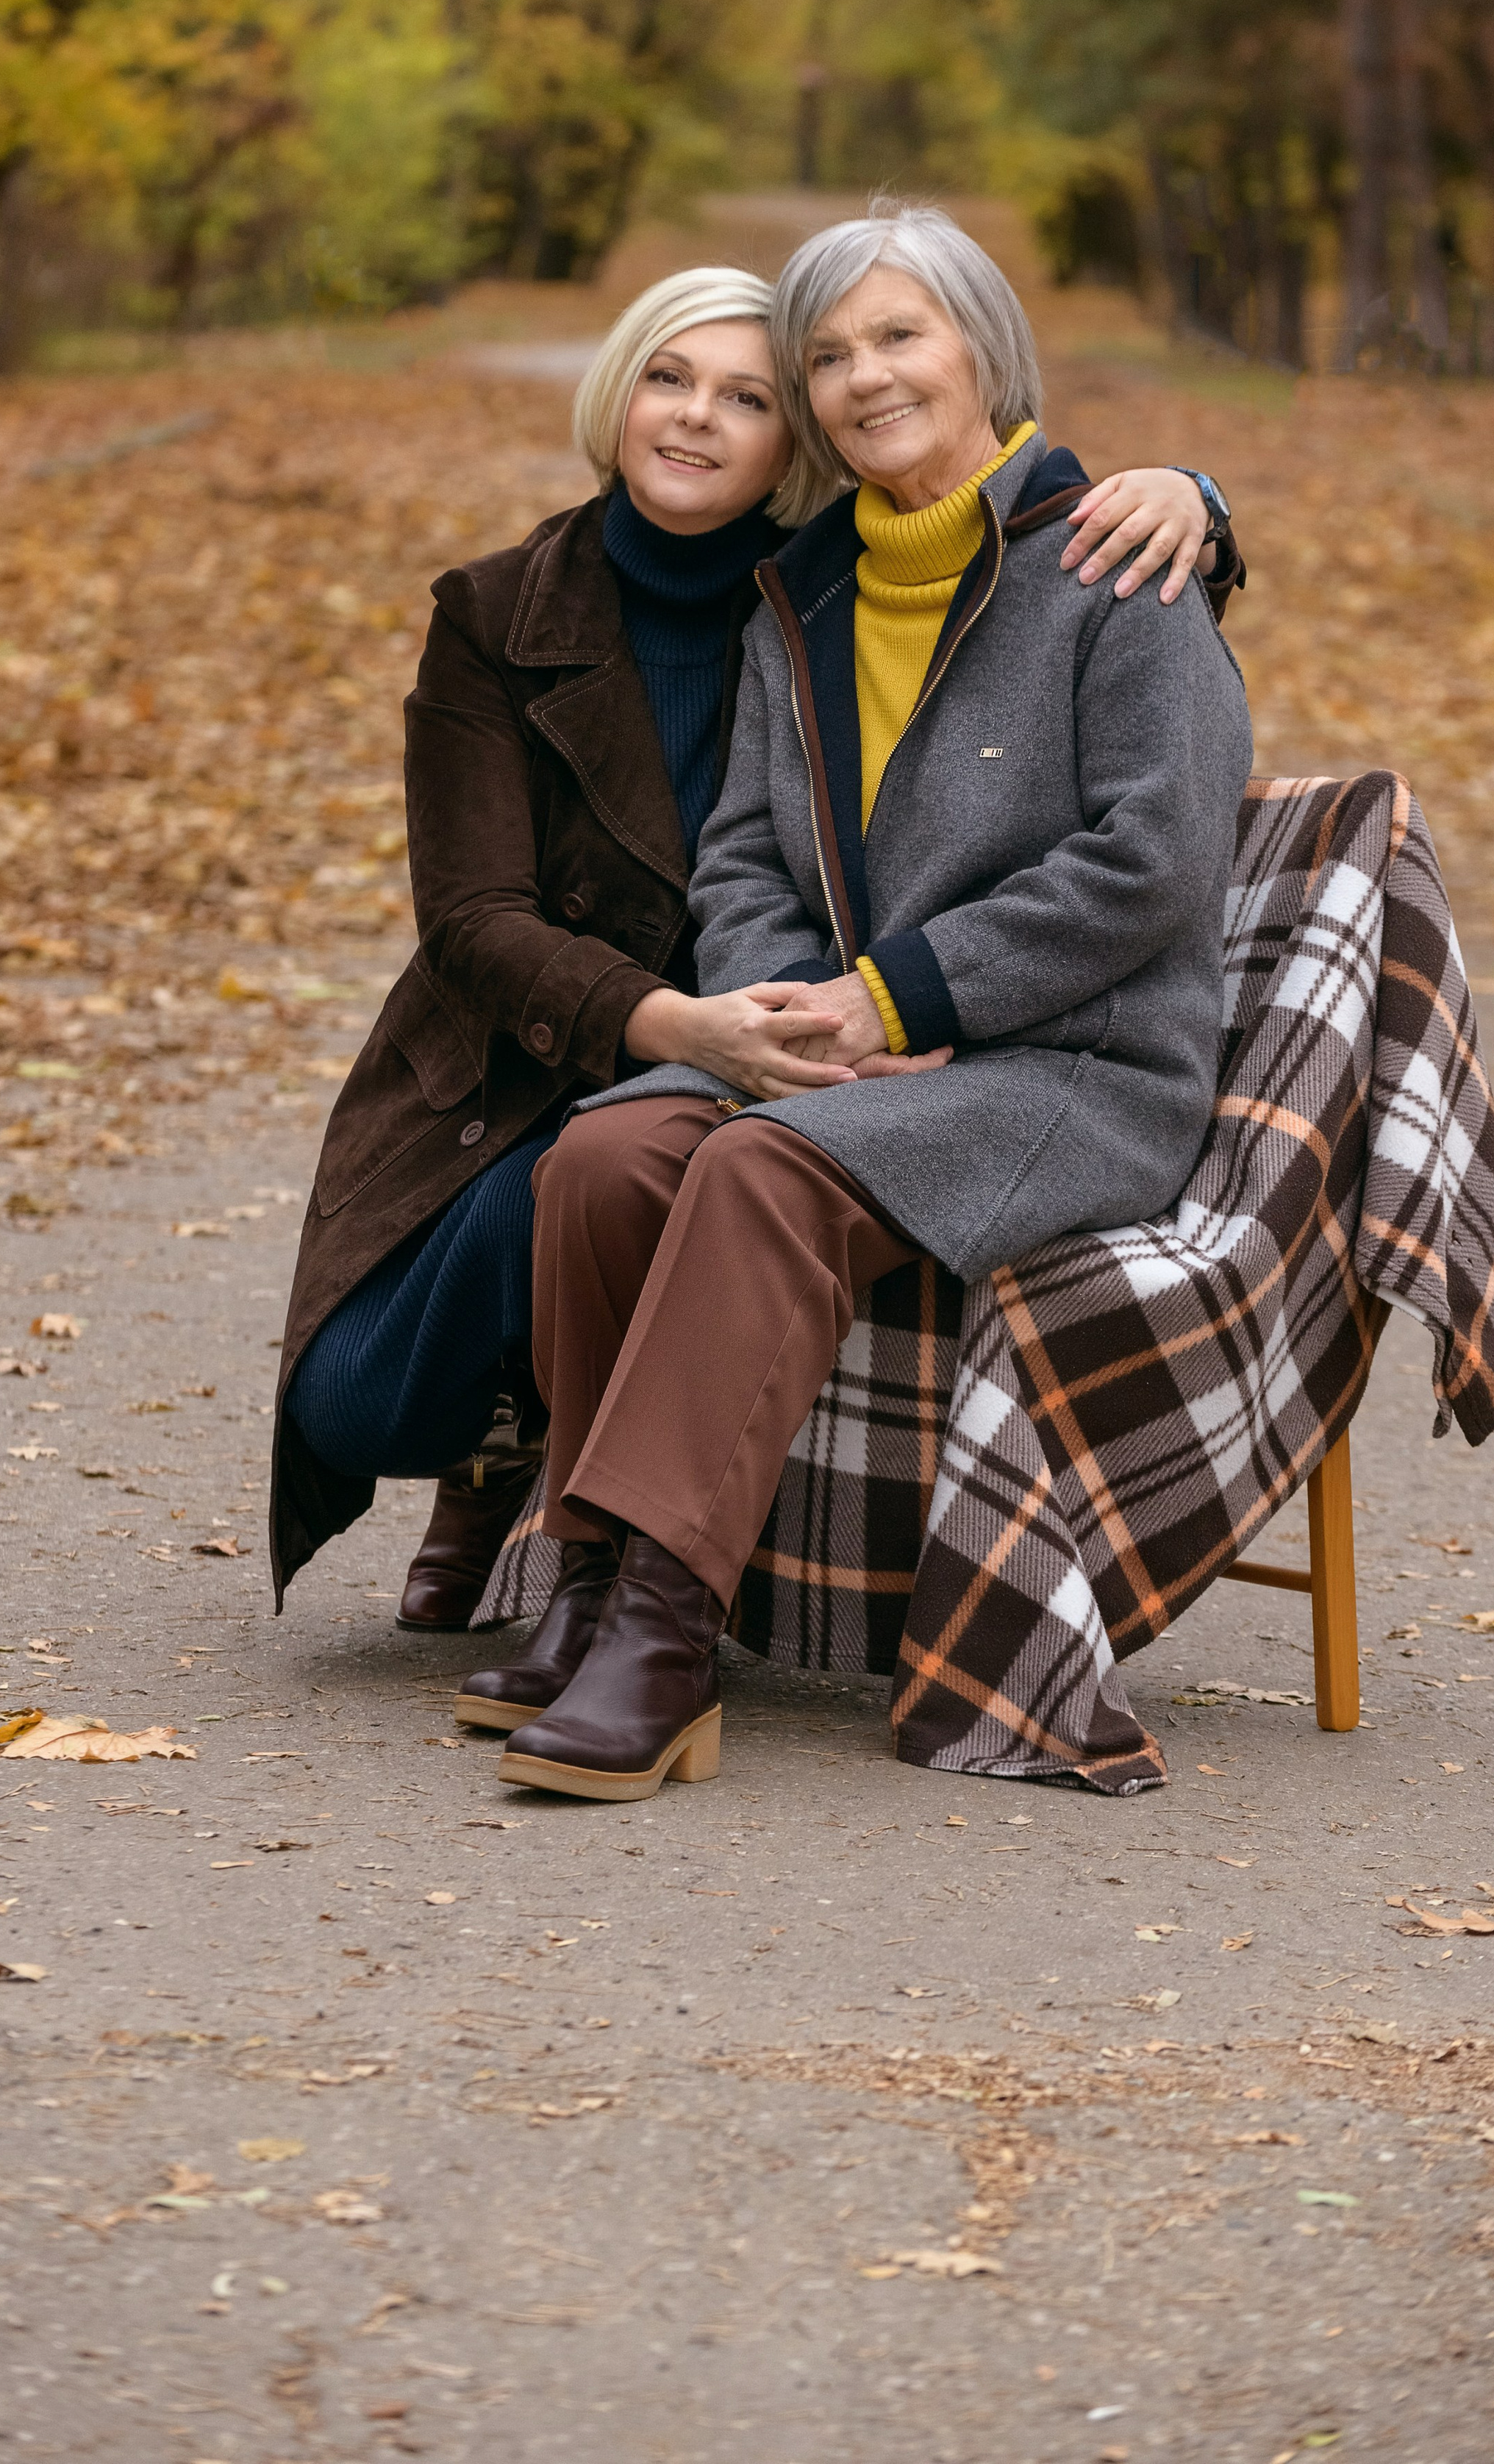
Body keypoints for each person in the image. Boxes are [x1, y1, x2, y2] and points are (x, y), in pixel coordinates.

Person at [268, 256, 1241, 1632]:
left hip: (873, 1038)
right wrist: (746, 1022)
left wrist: (1190, 494)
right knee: (372, 1377)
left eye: (748, 394)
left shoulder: (846, 580)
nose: (696, 420)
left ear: (801, 444)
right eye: (669, 378)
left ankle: (638, 1611)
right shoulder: (569, 610)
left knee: (692, 1167)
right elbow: (491, 917)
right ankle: (515, 1486)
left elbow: (1136, 803)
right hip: (579, 1046)